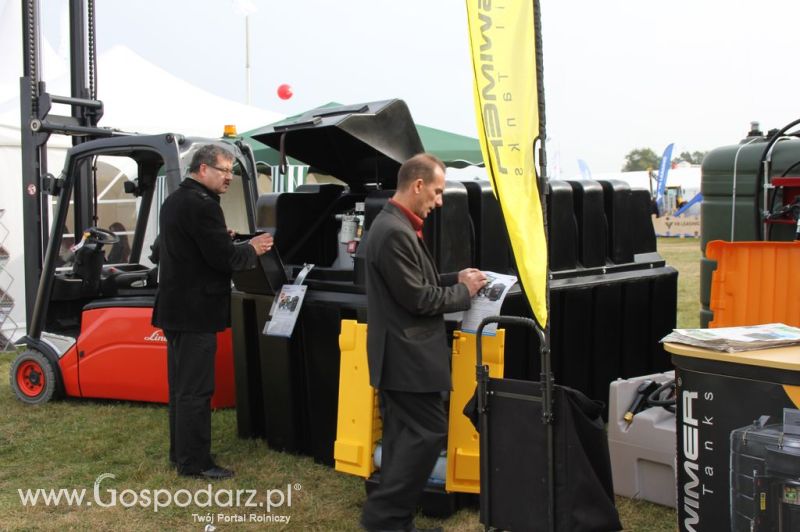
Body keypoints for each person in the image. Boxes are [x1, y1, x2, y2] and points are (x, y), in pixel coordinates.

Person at [360, 153, 486, 532]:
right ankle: (383, 516)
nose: (439, 200)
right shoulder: (394, 231)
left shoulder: (397, 224)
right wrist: (463, 291)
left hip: (401, 356)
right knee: (428, 434)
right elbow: (419, 299)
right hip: (407, 358)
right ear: (417, 185)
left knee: (403, 440)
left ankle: (393, 521)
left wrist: (454, 277)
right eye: (436, 191)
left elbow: (418, 282)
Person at [152, 144, 274, 480]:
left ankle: (182, 454)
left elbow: (184, 246)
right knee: (197, 390)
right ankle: (195, 463)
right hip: (195, 311)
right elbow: (224, 260)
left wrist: (222, 238)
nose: (229, 179)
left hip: (175, 309)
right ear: (203, 169)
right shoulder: (203, 206)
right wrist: (252, 247)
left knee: (181, 388)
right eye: (224, 171)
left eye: (232, 172)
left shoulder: (176, 199)